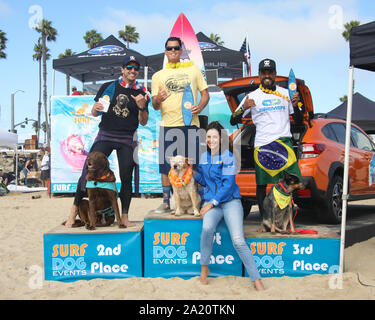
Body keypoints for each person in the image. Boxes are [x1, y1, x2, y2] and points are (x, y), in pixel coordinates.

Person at [64, 56, 149, 228]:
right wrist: (94, 109)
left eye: (135, 68)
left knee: (127, 177)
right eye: (129, 67)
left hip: (127, 138)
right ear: (122, 69)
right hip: (107, 134)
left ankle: (124, 217)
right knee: (86, 172)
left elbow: (144, 121)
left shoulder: (141, 92)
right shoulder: (108, 87)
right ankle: (72, 213)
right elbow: (96, 112)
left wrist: (141, 107)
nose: (132, 70)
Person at [230, 58, 303, 230]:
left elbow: (298, 120)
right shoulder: (252, 96)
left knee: (294, 182)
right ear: (259, 75)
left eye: (270, 72)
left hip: (284, 143)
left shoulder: (286, 93)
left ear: (275, 74)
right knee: (262, 186)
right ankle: (266, 221)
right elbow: (234, 120)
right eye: (264, 72)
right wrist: (243, 107)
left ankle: (286, 221)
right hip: (262, 145)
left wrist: (296, 106)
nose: (267, 75)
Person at [194, 121, 264, 291]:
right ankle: (205, 268)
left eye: (214, 137)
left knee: (238, 241)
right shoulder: (203, 158)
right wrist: (191, 172)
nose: (211, 140)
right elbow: (204, 181)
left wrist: (212, 203)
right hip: (212, 203)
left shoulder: (228, 157)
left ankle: (256, 279)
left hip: (230, 202)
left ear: (221, 139)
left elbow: (228, 185)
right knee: (207, 228)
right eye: (208, 137)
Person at [151, 36, 209, 213]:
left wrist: (200, 106)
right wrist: (158, 100)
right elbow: (154, 104)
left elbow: (205, 94)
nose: (173, 51)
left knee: (194, 163)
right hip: (167, 125)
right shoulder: (157, 76)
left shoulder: (194, 70)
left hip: (190, 124)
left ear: (181, 50)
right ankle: (166, 201)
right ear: (165, 51)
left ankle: (199, 200)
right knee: (165, 165)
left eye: (176, 48)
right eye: (170, 48)